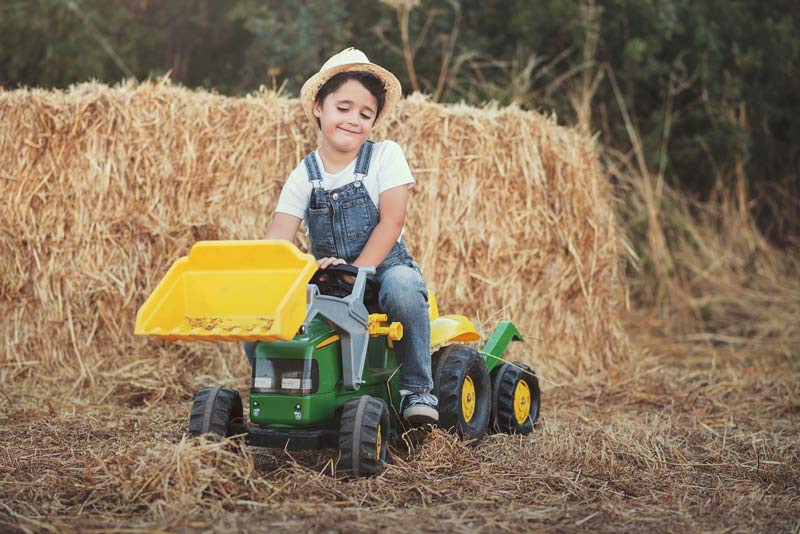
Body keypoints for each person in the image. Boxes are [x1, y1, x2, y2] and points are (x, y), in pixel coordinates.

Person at [262, 48, 437, 425]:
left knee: (405, 288)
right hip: (333, 281)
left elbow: (391, 221)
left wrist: (356, 270)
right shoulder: (304, 174)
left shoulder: (385, 156)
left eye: (365, 113)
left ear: (374, 120)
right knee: (266, 310)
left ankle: (417, 390)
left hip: (383, 270)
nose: (353, 120)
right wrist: (297, 273)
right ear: (318, 107)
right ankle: (273, 389)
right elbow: (277, 242)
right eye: (343, 108)